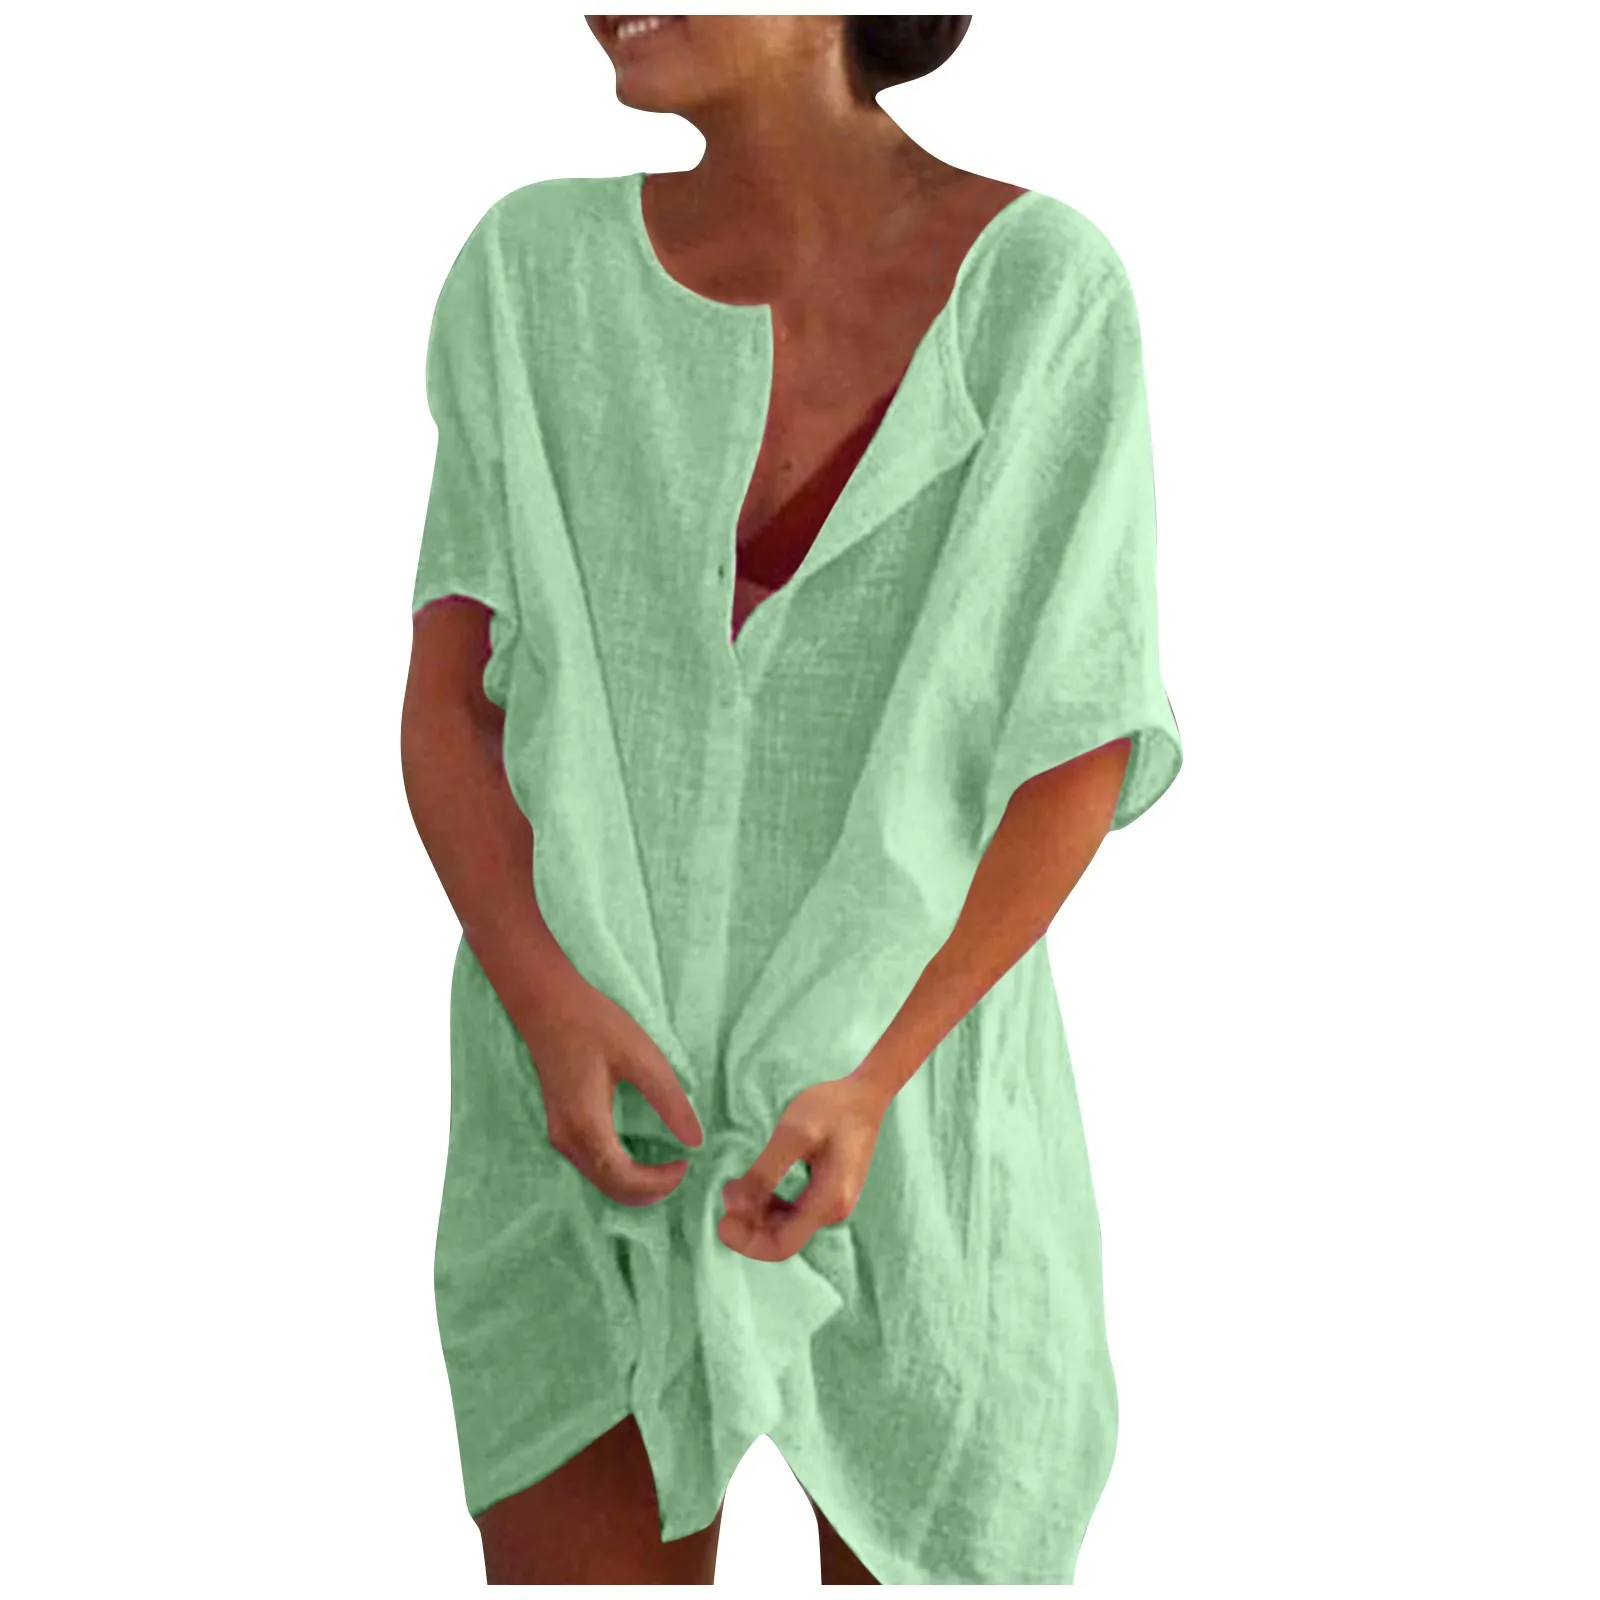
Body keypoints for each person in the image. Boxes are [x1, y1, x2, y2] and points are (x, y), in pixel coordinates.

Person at [400, 13, 1183, 1586]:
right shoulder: (530, 275)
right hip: (582, 1131)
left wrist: (875, 1076)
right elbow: (451, 701)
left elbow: (1076, 742)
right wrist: (546, 1002)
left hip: (917, 1124)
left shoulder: (1044, 292)